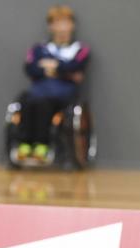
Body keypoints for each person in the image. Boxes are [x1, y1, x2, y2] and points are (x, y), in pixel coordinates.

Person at [19, 5, 89, 161]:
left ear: (72, 25)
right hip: (39, 89)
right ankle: (24, 144)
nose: (62, 28)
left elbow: (76, 67)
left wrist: (53, 66)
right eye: (57, 23)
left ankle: (42, 146)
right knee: (26, 100)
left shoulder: (80, 49)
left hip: (63, 93)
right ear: (50, 26)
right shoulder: (39, 48)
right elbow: (30, 68)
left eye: (65, 23)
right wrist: (60, 70)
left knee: (44, 102)